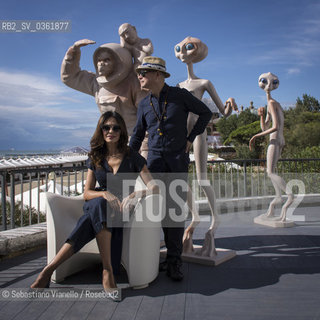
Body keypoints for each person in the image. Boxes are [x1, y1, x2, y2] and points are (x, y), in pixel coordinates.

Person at [31, 111, 157, 290]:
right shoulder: (95, 157)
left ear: (121, 131)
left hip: (120, 211)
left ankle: (48, 269)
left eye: (115, 127)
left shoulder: (133, 157)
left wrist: (135, 195)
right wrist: (104, 194)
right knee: (99, 204)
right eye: (106, 127)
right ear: (101, 130)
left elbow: (154, 187)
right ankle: (108, 270)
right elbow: (87, 193)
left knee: (89, 220)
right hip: (98, 203)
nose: (110, 131)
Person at [129, 56, 213, 281]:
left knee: (174, 212)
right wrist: (126, 161)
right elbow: (137, 136)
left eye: (143, 73)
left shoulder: (180, 96)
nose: (140, 77)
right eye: (139, 73)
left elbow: (205, 114)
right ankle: (151, 256)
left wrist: (190, 138)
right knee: (152, 210)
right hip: (154, 163)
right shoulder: (144, 104)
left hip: (177, 161)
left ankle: (174, 262)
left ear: (158, 75)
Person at [174, 36, 238, 257]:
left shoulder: (204, 83)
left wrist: (229, 104)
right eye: (179, 48)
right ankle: (195, 216)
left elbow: (221, 110)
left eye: (187, 47)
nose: (183, 52)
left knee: (202, 179)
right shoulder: (178, 86)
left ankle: (215, 220)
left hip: (198, 134)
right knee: (182, 180)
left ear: (197, 51)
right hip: (181, 136)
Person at [61, 39, 145, 136]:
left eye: (106, 60)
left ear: (118, 62)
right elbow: (70, 77)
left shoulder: (134, 83)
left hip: (133, 140)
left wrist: (144, 147)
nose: (101, 63)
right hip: (110, 139)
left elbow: (147, 116)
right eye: (99, 60)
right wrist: (74, 51)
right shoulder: (96, 84)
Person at [249, 72, 293, 221]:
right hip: (279, 140)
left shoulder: (272, 103)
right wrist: (261, 116)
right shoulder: (274, 104)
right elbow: (265, 127)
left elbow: (274, 127)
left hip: (275, 140)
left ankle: (289, 195)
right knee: (272, 171)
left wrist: (255, 137)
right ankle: (277, 199)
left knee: (269, 172)